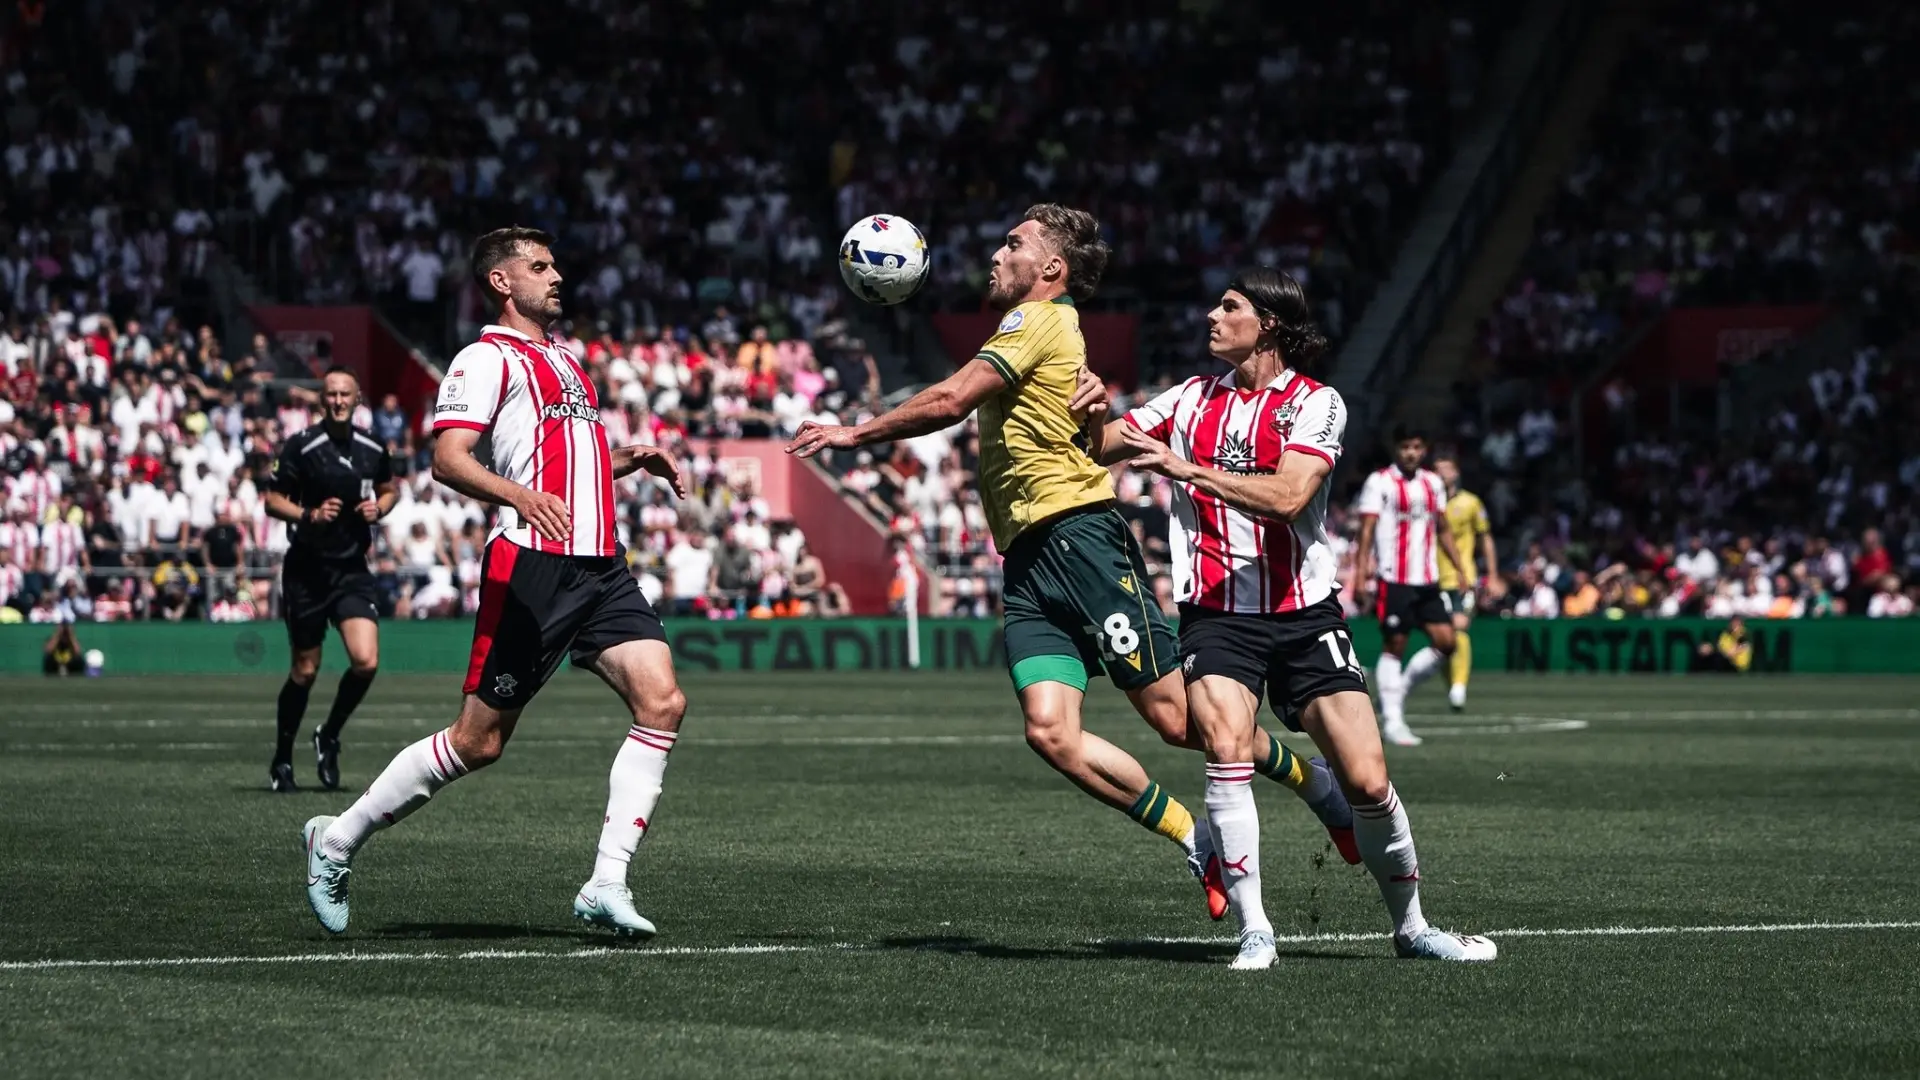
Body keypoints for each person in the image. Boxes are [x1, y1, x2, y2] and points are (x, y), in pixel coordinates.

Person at [789, 206, 1351, 924]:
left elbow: (954, 399)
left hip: (1081, 539)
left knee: (1180, 721)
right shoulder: (1023, 326)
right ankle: (1195, 838)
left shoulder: (1038, 320)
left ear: (1051, 268)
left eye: (1013, 244)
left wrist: (854, 432)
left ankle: (1316, 783)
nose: (997, 254)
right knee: (1050, 732)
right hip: (1027, 557)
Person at [1087, 266, 1496, 968]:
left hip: (1305, 614)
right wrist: (1089, 406)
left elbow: (1288, 497)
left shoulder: (1317, 403)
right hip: (1217, 615)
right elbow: (1101, 445)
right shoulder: (1188, 398)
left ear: (1268, 324)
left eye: (1230, 306)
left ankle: (1413, 929)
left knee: (1367, 782)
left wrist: (1189, 471)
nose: (1212, 316)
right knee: (1225, 750)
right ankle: (1256, 931)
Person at [302, 227, 691, 941]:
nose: (557, 276)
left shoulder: (566, 361)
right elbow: (448, 459)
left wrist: (629, 460)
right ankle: (336, 839)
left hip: (601, 565)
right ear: (502, 282)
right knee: (478, 742)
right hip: (532, 566)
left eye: (555, 264)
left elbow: (565, 467)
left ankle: (607, 882)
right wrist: (518, 498)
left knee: (662, 702)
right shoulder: (484, 358)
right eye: (540, 266)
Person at [263, 366, 397, 793]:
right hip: (306, 571)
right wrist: (309, 514)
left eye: (345, 394)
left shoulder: (372, 446)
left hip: (351, 570)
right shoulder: (302, 445)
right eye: (331, 394)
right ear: (322, 400)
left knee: (366, 661)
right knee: (305, 670)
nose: (338, 401)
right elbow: (272, 500)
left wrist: (380, 507)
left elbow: (389, 488)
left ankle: (329, 734)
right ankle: (283, 759)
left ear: (357, 400)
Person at [1353, 428, 1466, 746]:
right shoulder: (1379, 482)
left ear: (1425, 450)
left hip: (1427, 579)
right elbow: (1366, 530)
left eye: (1417, 447)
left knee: (1447, 642)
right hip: (1394, 578)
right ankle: (1392, 720)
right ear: (1396, 449)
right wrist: (1360, 575)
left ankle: (1396, 694)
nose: (1411, 453)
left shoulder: (1433, 483)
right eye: (1405, 447)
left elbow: (1442, 528)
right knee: (1395, 645)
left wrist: (1460, 569)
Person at [1432, 452, 1495, 712]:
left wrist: (1492, 574)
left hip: (1461, 577)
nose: (1442, 474)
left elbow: (1485, 538)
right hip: (1431, 577)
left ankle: (1459, 687)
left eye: (1446, 468)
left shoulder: (1471, 503)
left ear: (1456, 472)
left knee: (1459, 628)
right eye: (1437, 469)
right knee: (1441, 639)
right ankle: (1452, 686)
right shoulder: (1426, 500)